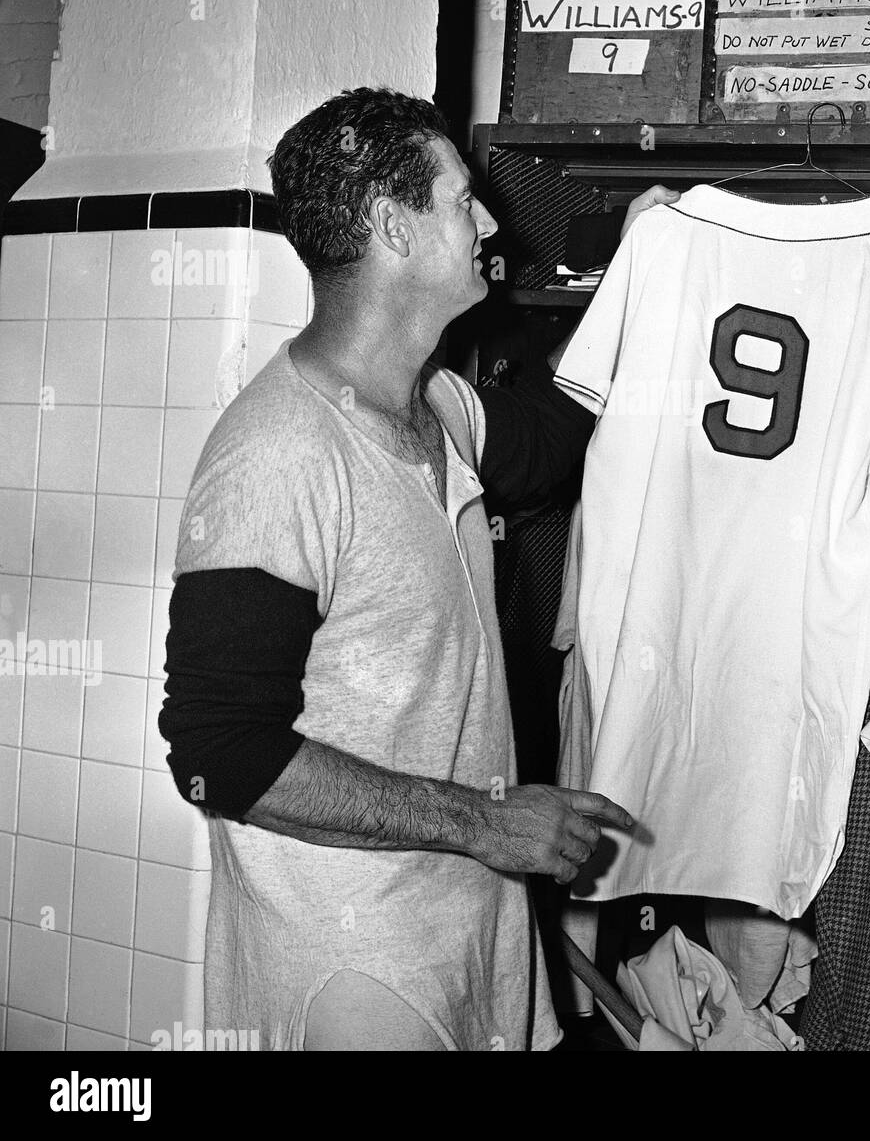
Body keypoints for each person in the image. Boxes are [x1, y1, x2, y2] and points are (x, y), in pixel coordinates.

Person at [159, 86, 676, 1051]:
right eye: (460, 199)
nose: (488, 220)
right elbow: (215, 749)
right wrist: (483, 824)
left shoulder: (441, 404)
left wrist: (636, 278)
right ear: (395, 227)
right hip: (354, 966)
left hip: (474, 935)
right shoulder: (278, 454)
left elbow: (562, 434)